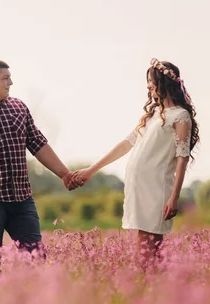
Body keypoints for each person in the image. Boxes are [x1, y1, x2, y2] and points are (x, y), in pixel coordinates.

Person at [0, 59, 79, 271]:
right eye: (6, 78)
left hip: (22, 200)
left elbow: (38, 144)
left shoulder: (19, 108)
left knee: (37, 258)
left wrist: (64, 174)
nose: (11, 82)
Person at [72, 58, 200, 266]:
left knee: (149, 247)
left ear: (163, 83)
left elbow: (182, 158)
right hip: (138, 186)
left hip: (157, 187)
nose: (148, 86)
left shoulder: (181, 116)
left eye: (151, 81)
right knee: (144, 245)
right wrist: (91, 170)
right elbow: (126, 144)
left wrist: (174, 196)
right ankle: (148, 288)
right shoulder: (153, 114)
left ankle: (148, 289)